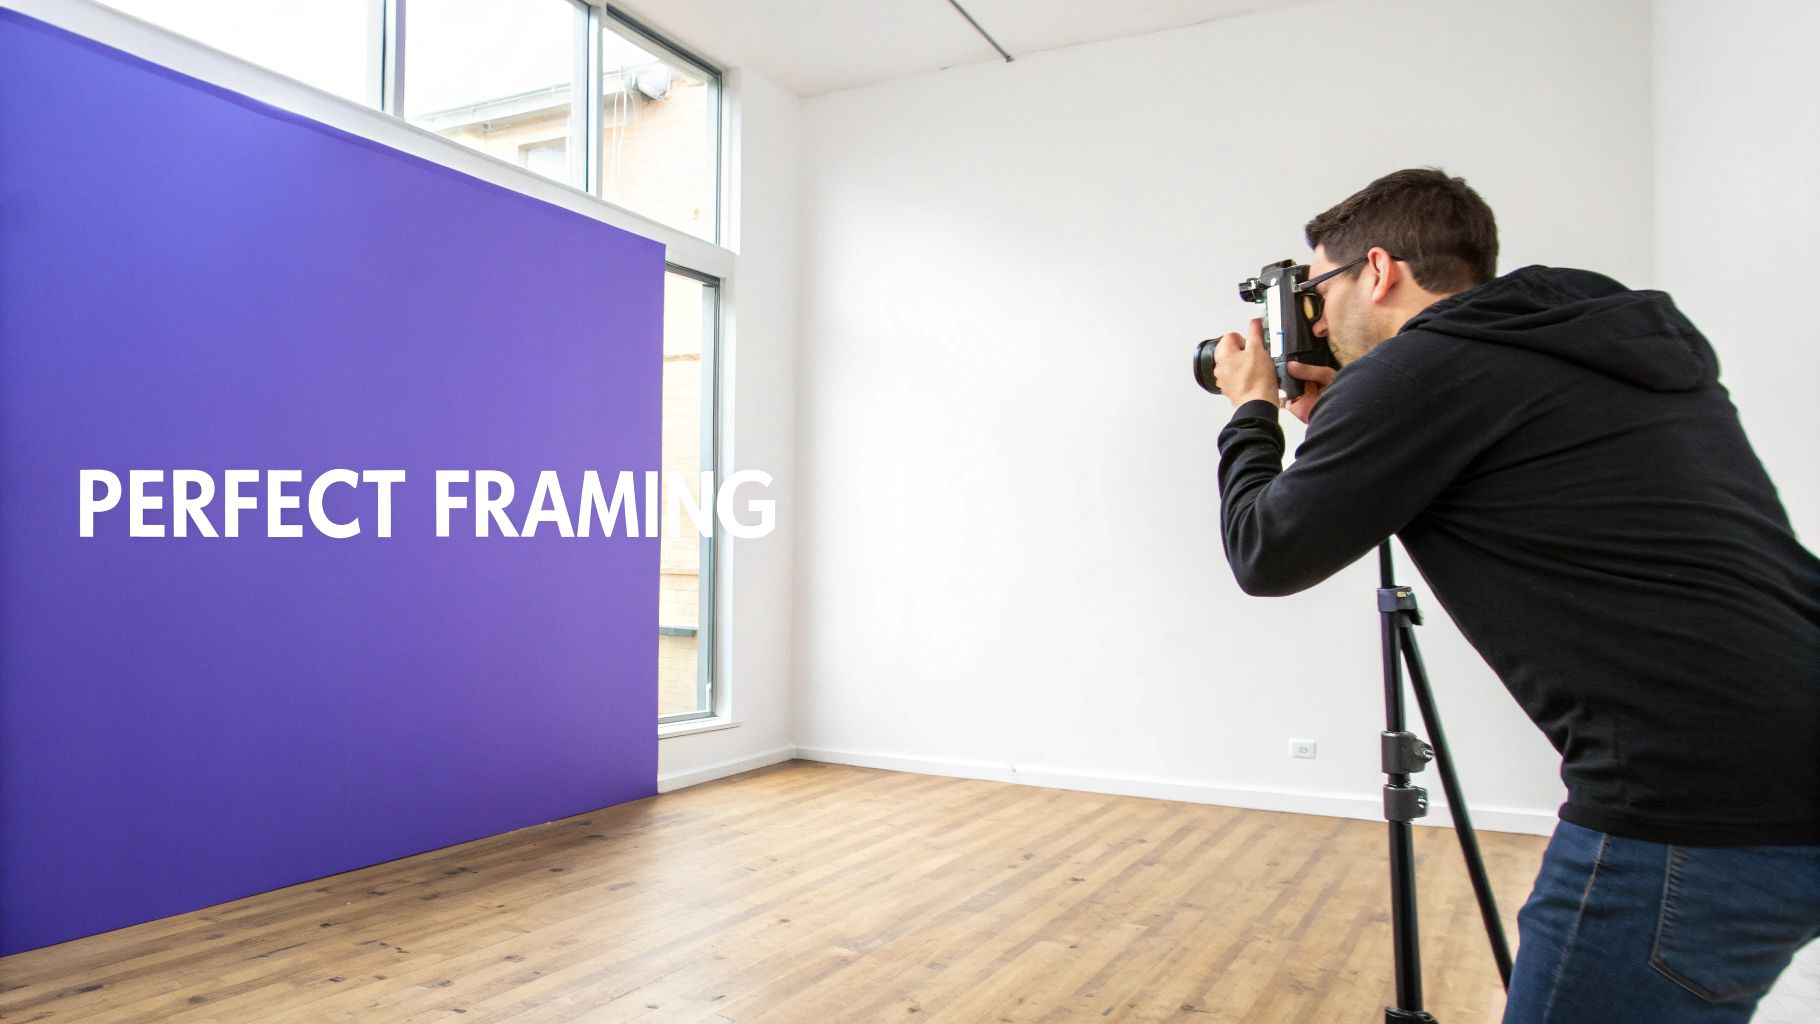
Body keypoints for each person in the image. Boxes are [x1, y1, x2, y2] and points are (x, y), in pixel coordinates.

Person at [1208, 167, 1820, 1023]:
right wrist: (1354, 422)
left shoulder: (1418, 374)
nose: (1312, 314)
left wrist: (1252, 411)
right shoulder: (1586, 344)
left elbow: (1264, 552)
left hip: (1695, 799)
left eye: (1316, 287)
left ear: (1377, 271)